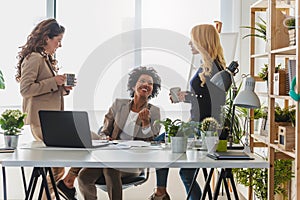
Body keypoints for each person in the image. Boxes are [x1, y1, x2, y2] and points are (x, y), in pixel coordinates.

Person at [149, 24, 226, 200]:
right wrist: (187, 97)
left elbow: (215, 102)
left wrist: (190, 97)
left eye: (193, 40)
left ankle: (160, 193)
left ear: (202, 41)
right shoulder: (207, 66)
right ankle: (161, 192)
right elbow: (205, 97)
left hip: (203, 126)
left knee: (161, 144)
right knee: (186, 173)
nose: (190, 44)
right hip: (197, 122)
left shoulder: (215, 68)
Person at [16, 18, 80, 200]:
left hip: (51, 120)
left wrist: (62, 88)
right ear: (46, 38)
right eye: (58, 41)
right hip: (42, 122)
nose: (59, 45)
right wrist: (54, 81)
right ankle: (65, 185)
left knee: (57, 169)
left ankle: (54, 192)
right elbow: (26, 89)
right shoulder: (34, 58)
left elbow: (45, 91)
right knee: (83, 143)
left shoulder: (45, 59)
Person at [77, 66, 162, 200]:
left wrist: (146, 123)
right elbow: (105, 130)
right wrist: (105, 137)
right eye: (142, 81)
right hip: (111, 156)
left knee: (111, 170)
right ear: (134, 85)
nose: (146, 84)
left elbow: (153, 142)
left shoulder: (154, 111)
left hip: (134, 162)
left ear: (152, 90)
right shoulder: (118, 104)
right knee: (84, 176)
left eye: (150, 83)